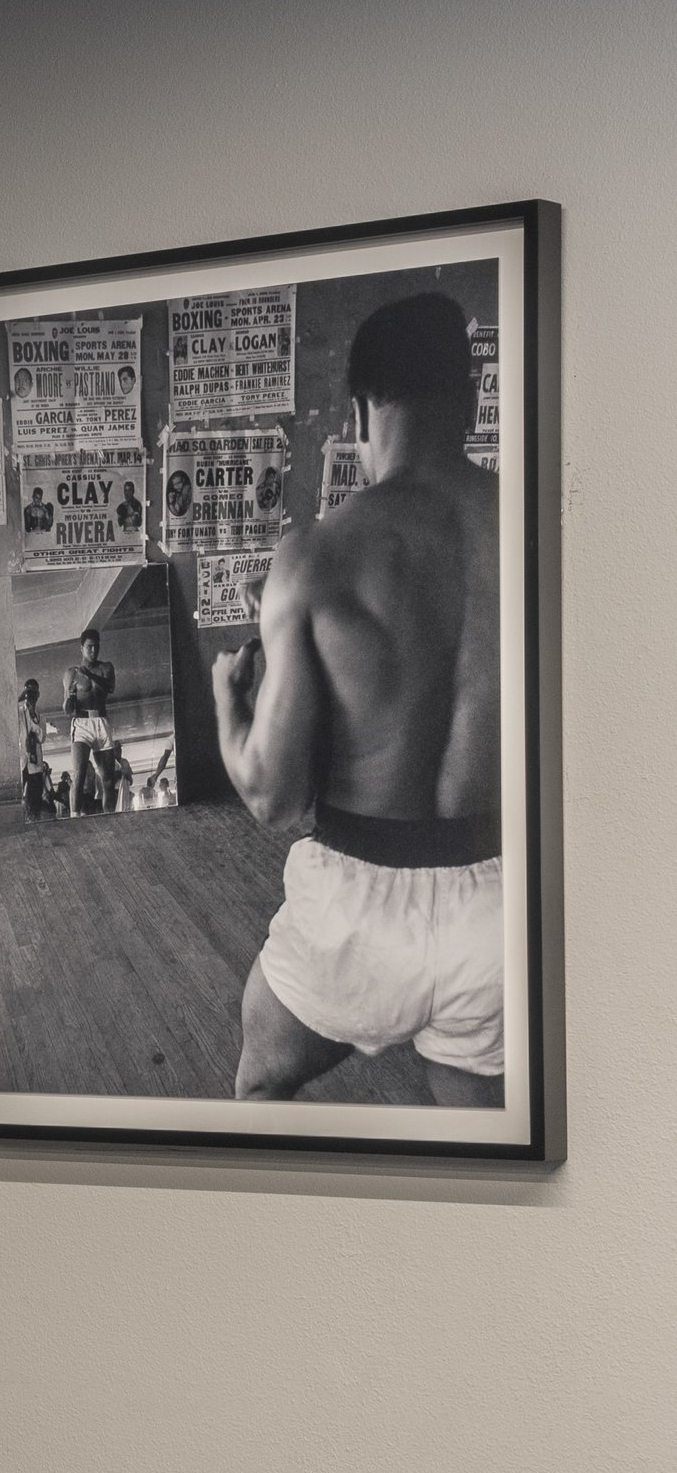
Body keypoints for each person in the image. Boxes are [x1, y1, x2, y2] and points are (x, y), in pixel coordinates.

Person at [213, 290, 503, 1103]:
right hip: (499, 902)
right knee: (484, 1151)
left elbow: (272, 797)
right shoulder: (542, 533)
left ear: (359, 410)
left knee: (260, 1086)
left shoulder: (316, 555)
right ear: (471, 398)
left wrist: (228, 705)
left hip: (354, 914)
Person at [63, 626, 119, 817]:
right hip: (81, 724)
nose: (94, 650)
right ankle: (74, 817)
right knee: (79, 776)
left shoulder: (106, 668)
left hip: (102, 722)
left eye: (96, 646)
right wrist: (70, 697)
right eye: (89, 647)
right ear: (81, 648)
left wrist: (89, 674)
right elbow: (67, 710)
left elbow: (110, 687)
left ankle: (109, 818)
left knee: (108, 778)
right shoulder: (71, 673)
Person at [15, 676, 52, 818]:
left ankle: (34, 819)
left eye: (33, 693)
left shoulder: (41, 718)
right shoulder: (18, 713)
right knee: (16, 794)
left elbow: (41, 738)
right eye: (28, 692)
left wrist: (32, 716)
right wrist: (19, 698)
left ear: (38, 695)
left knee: (35, 797)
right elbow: (5, 712)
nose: (31, 696)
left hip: (35, 763)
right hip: (21, 761)